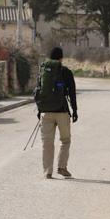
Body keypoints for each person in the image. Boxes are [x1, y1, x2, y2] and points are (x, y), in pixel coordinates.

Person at [35, 47, 78, 179]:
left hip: (45, 112)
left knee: (47, 143)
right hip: (62, 111)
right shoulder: (65, 72)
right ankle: (62, 167)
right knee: (65, 140)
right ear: (61, 58)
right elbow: (71, 93)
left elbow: (39, 91)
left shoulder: (43, 71)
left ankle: (47, 171)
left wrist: (39, 110)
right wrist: (75, 110)